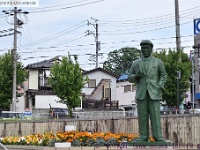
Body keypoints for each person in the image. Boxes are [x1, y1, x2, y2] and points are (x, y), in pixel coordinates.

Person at [128, 40, 167, 142]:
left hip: (154, 92)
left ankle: (158, 136)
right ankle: (143, 136)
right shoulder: (136, 63)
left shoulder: (158, 62)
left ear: (151, 49)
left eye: (147, 48)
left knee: (155, 115)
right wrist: (136, 76)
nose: (145, 50)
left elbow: (163, 75)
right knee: (142, 116)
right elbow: (129, 77)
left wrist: (160, 85)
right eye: (143, 48)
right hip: (141, 93)